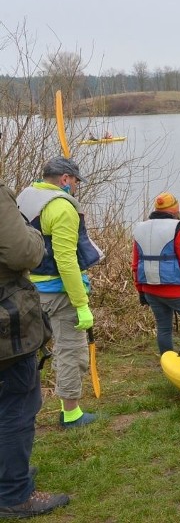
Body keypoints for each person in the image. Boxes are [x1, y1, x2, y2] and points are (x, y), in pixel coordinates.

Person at [16, 157, 104, 429]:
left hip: (27, 288)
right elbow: (66, 261)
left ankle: (20, 410)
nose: (77, 186)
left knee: (26, 351)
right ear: (65, 179)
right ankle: (71, 413)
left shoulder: (25, 197)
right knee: (70, 350)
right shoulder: (62, 208)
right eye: (76, 181)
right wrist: (81, 304)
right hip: (58, 292)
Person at [0, 179, 70, 517]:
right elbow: (23, 251)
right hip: (5, 322)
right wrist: (36, 237)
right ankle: (15, 492)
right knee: (18, 401)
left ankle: (8, 476)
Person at [133, 193, 180, 361]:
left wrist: (140, 290)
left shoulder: (141, 228)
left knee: (164, 328)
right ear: (175, 209)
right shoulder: (177, 228)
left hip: (150, 289)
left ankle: (168, 364)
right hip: (178, 291)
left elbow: (136, 263)